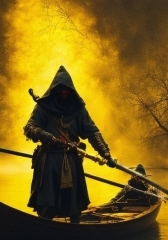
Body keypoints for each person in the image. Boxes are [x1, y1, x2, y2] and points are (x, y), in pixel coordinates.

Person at [24, 65, 116, 222]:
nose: (64, 92)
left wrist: (105, 154)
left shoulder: (78, 109)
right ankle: (45, 226)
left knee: (73, 203)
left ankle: (74, 229)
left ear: (71, 90)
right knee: (47, 201)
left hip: (71, 159)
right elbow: (29, 127)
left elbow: (92, 132)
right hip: (49, 161)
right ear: (54, 90)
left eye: (66, 89)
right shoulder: (42, 107)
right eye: (60, 89)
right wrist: (46, 136)